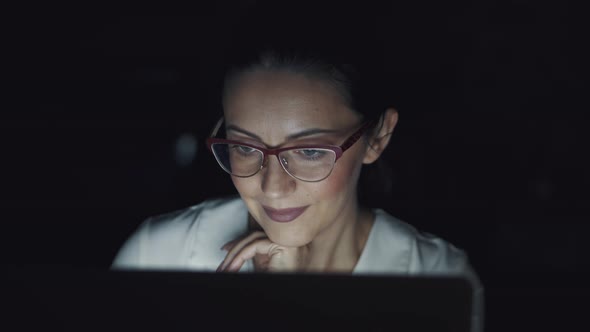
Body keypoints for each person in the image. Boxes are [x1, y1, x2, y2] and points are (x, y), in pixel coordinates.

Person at [112, 10, 484, 331]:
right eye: (243, 146)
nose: (272, 187)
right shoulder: (158, 257)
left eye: (308, 150)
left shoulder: (437, 282)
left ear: (378, 137)